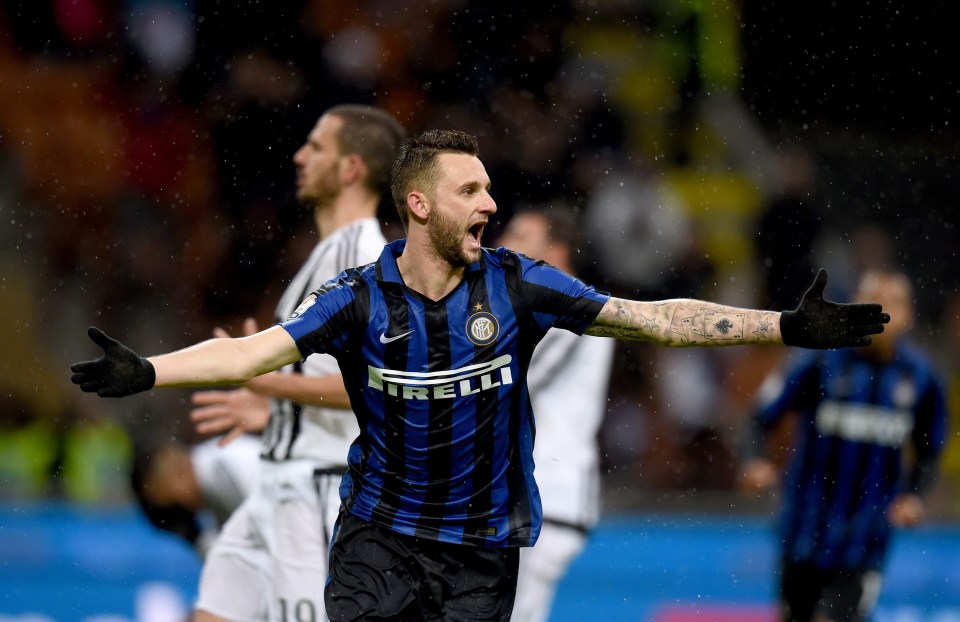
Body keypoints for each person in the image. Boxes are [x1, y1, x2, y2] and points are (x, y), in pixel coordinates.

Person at [71, 129, 889, 621]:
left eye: (491, 187)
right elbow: (250, 354)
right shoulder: (357, 299)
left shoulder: (520, 283)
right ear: (421, 205)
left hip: (481, 553)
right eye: (472, 189)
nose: (489, 201)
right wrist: (149, 371)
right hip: (378, 541)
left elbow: (652, 317)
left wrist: (781, 326)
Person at [172, 104, 405, 622]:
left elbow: (380, 385)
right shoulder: (325, 253)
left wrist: (268, 387)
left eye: (316, 147)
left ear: (350, 169)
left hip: (317, 487)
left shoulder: (368, 259)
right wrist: (278, 412)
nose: (300, 156)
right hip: (276, 480)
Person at [738, 269, 947, 622]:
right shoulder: (820, 359)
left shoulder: (921, 377)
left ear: (909, 314)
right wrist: (753, 461)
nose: (881, 311)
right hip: (804, 529)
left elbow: (930, 449)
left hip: (866, 540)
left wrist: (915, 496)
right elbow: (760, 416)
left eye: (891, 302)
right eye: (871, 301)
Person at [496, 204, 616, 622]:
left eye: (520, 237)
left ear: (557, 252)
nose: (503, 246)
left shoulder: (575, 306)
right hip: (528, 493)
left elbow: (515, 379)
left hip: (550, 493)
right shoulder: (540, 308)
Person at [130, 435, 262, 557]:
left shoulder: (220, 473)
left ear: (179, 471)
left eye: (171, 502)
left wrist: (201, 542)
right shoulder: (213, 464)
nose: (180, 510)